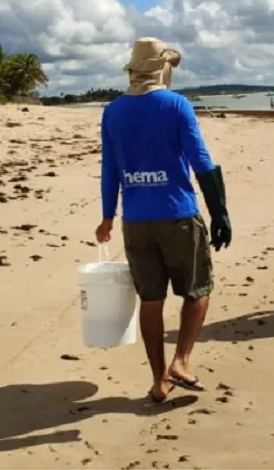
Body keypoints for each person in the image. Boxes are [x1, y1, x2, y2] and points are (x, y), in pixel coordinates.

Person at [95, 37, 232, 403]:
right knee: (198, 291)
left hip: (135, 222)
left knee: (151, 301)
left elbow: (110, 169)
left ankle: (159, 380)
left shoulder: (113, 111)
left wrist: (108, 216)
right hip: (177, 216)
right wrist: (220, 213)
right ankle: (181, 362)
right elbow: (201, 161)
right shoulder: (176, 105)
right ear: (162, 69)